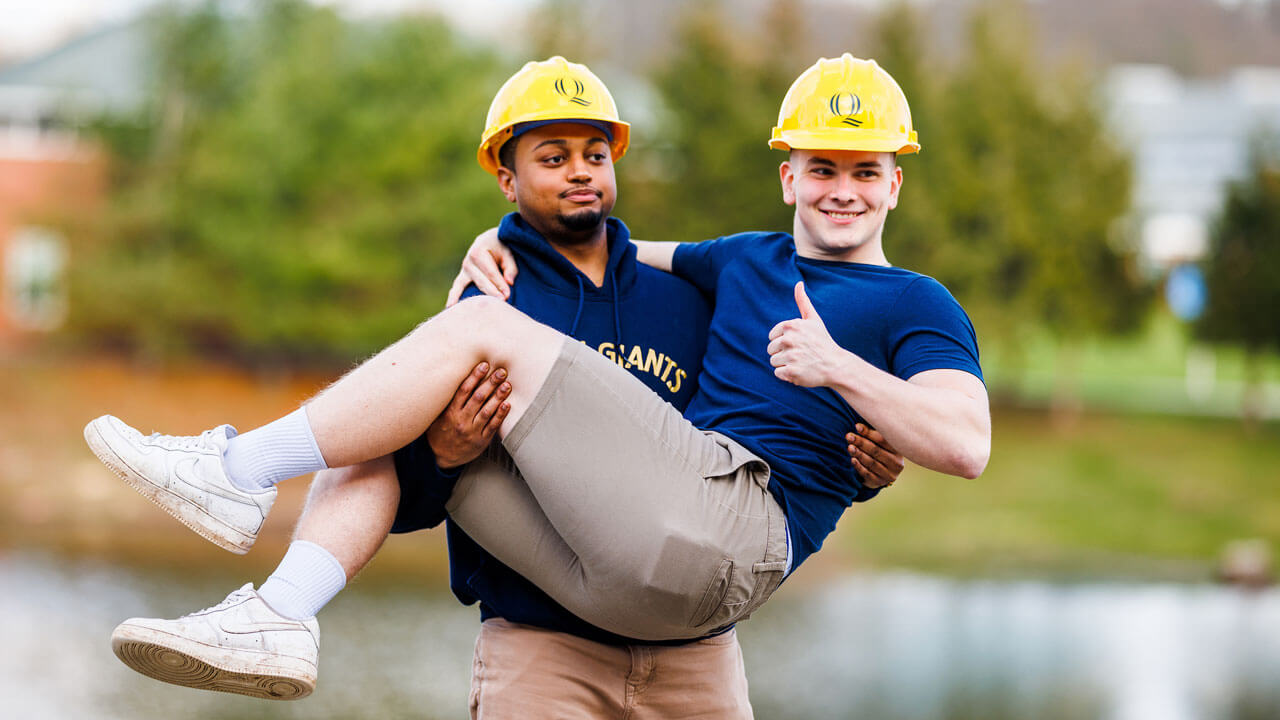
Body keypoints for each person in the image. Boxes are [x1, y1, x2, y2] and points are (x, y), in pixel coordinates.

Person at [92, 56, 904, 715]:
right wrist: (443, 454)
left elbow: (766, 432)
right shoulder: (491, 301)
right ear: (506, 181)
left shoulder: (691, 297)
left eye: (594, 154)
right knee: (366, 430)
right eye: (552, 159)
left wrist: (859, 463)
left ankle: (240, 496)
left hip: (694, 659)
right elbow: (401, 490)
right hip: (543, 649)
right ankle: (276, 602)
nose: (580, 174)